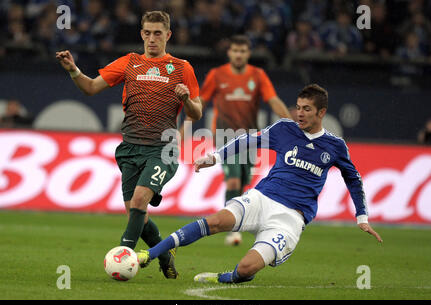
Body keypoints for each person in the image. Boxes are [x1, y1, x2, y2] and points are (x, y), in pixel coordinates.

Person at [137, 84, 382, 284]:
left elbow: (353, 178)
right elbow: (247, 141)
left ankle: (227, 278)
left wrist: (362, 217)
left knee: (246, 268)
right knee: (216, 221)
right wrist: (215, 157)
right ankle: (151, 253)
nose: (300, 114)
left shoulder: (335, 146)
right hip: (262, 198)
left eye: (307, 109)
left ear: (321, 113)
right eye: (298, 108)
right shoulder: (285, 129)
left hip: (290, 218)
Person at [55, 11, 202, 279]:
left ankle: (123, 255)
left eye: (158, 33)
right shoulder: (129, 62)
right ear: (141, 34)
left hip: (162, 149)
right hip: (130, 148)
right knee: (138, 215)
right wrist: (74, 70)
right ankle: (164, 253)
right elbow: (90, 88)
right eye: (147, 32)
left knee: (138, 201)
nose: (152, 38)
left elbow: (197, 113)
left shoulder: (182, 68)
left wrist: (188, 99)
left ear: (168, 35)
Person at [181, 34, 291, 244]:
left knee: (242, 182)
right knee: (232, 179)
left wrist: (288, 123)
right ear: (229, 52)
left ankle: (234, 220)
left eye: (243, 51)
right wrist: (187, 121)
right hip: (225, 135)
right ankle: (232, 231)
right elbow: (201, 101)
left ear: (248, 54)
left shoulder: (258, 75)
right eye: (235, 51)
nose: (239, 55)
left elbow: (273, 100)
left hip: (250, 137)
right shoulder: (217, 75)